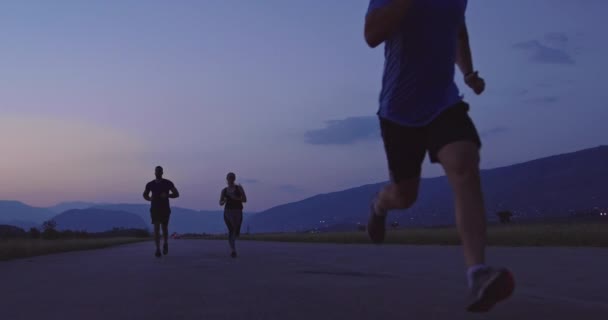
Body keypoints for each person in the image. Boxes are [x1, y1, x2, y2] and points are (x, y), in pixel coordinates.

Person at [363, 0, 514, 312]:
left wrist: (469, 73)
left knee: (464, 165)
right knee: (404, 196)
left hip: (444, 104)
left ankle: (477, 274)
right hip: (399, 112)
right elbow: (372, 34)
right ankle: (379, 204)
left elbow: (457, 30)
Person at [143, 166, 180, 258]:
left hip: (165, 209)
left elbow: (177, 194)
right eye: (157, 171)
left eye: (160, 171)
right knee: (156, 229)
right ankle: (158, 249)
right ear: (154, 172)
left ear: (162, 172)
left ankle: (166, 243)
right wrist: (149, 198)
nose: (158, 173)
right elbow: (145, 195)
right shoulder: (150, 184)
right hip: (155, 209)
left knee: (164, 228)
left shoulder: (168, 183)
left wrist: (167, 195)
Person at [219, 172, 247, 258]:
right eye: (229, 177)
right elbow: (220, 202)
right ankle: (233, 250)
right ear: (227, 179)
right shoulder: (224, 190)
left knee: (236, 230)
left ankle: (233, 243)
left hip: (238, 211)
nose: (230, 179)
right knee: (231, 230)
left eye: (232, 177)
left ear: (234, 178)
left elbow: (245, 200)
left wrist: (236, 198)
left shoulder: (239, 188)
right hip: (228, 212)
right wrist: (224, 201)